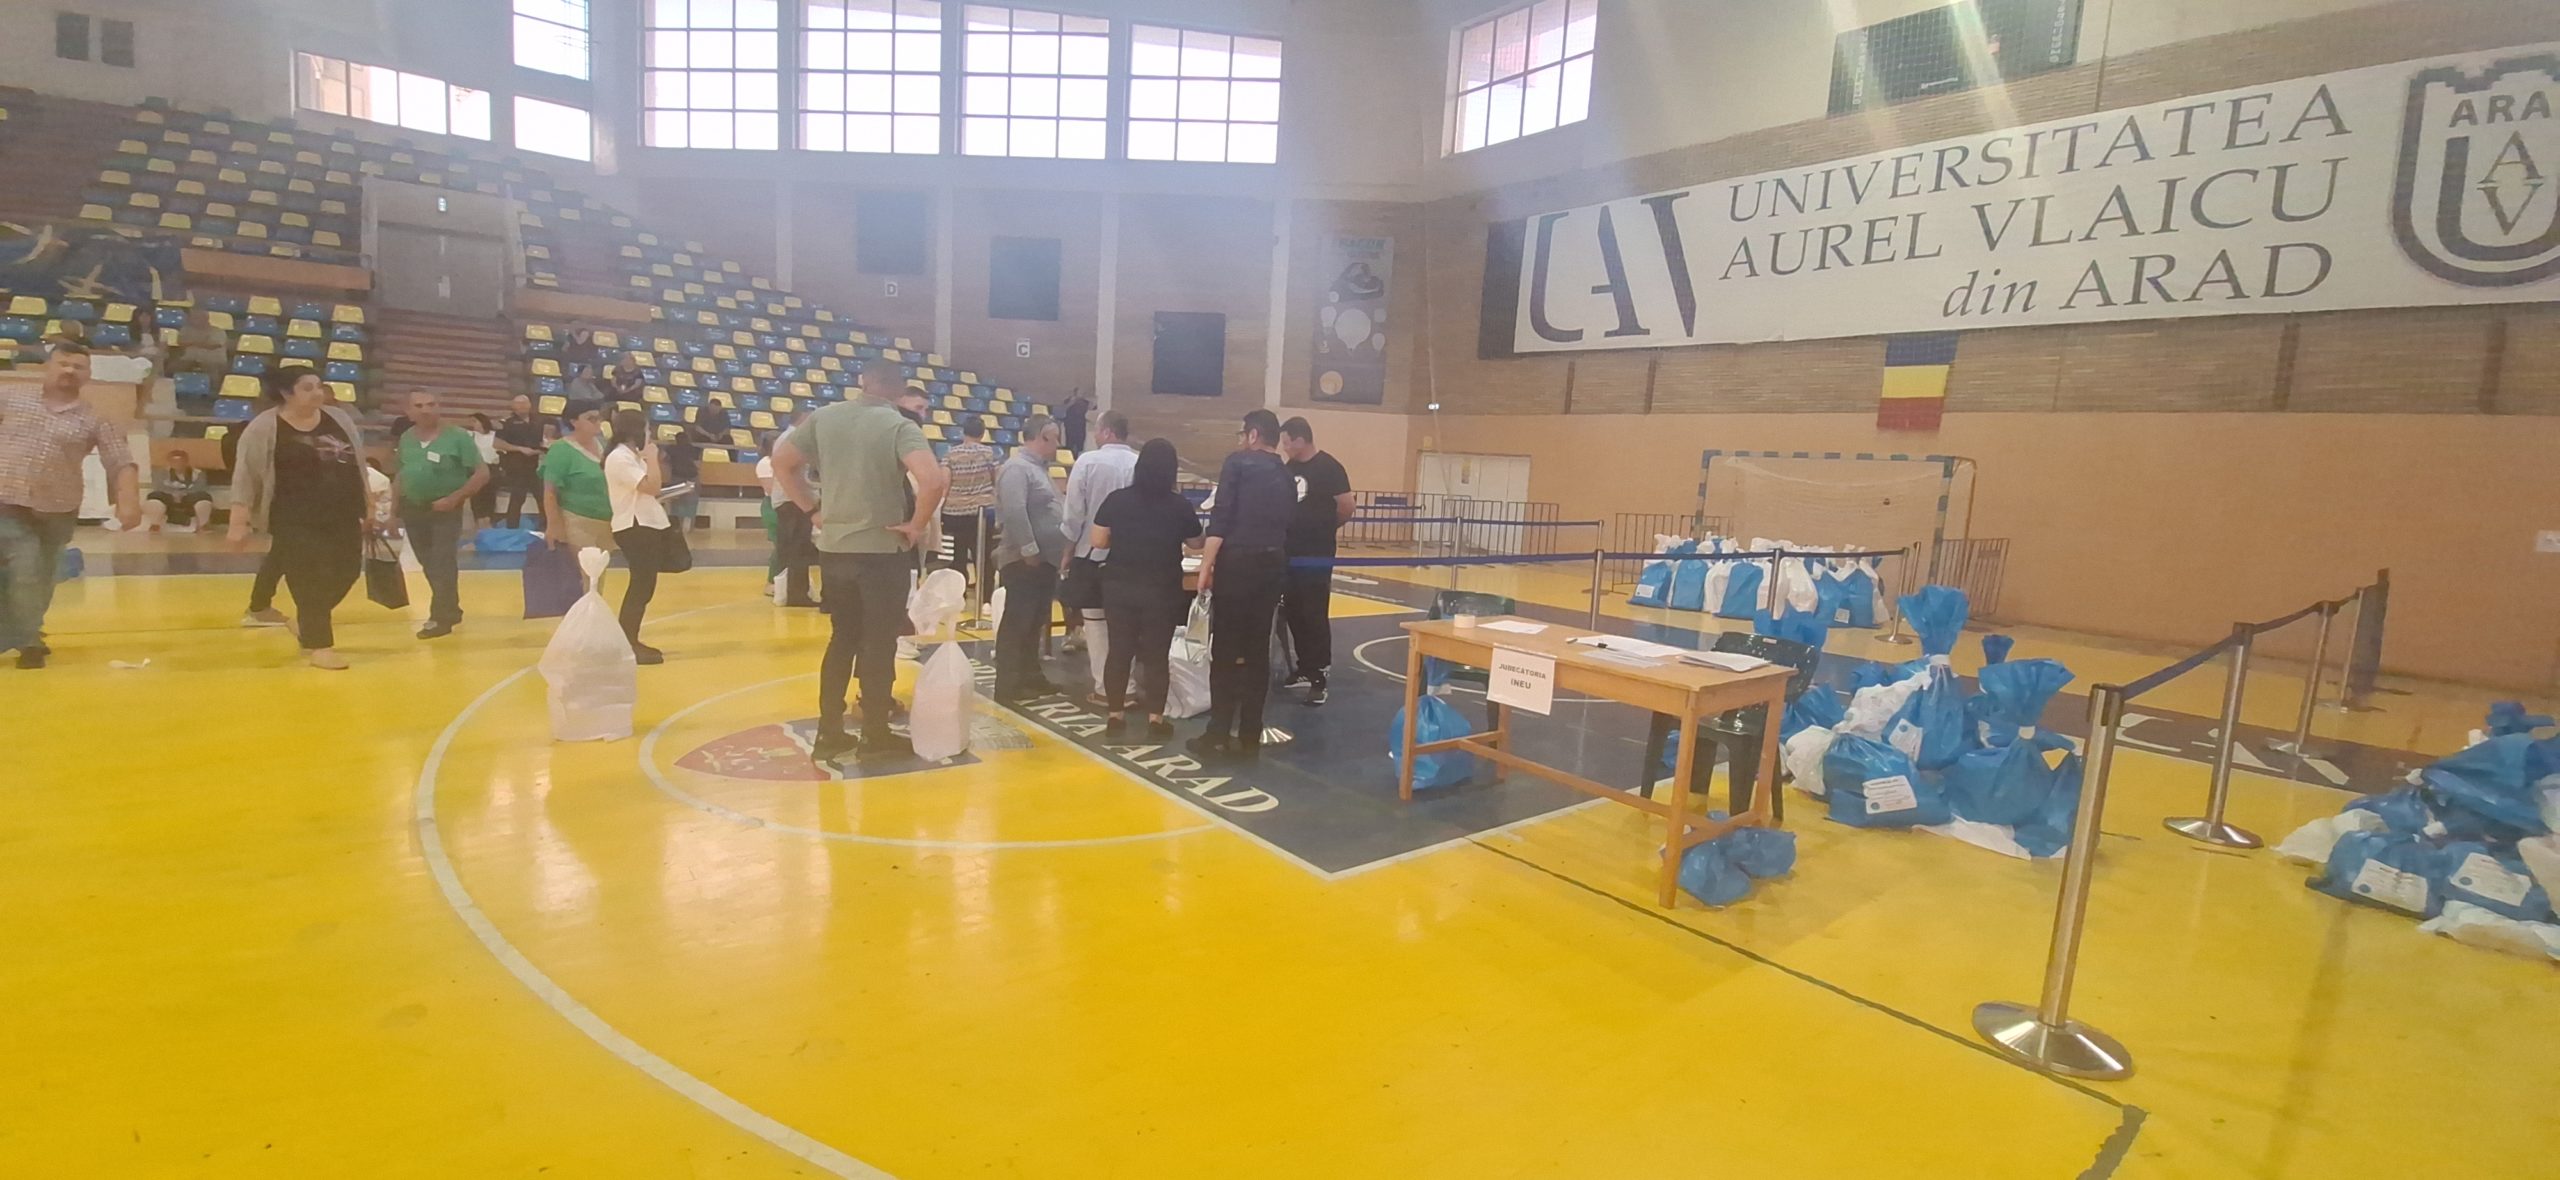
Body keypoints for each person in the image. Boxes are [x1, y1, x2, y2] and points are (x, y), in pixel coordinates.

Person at [771, 365, 946, 763]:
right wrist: (916, 525)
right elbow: (932, 480)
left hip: (835, 549)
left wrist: (812, 510)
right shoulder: (898, 425)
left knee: (842, 639)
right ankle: (875, 732)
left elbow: (782, 462)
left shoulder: (824, 417)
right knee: (879, 644)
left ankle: (829, 731)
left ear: (863, 383)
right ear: (899, 391)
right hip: (881, 550)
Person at [0, 342, 140, 669]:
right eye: (63, 364)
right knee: (25, 568)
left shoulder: (96, 418)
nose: (69, 371)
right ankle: (24, 641)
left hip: (58, 508)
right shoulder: (10, 397)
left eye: (78, 366)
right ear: (47, 368)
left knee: (45, 575)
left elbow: (120, 460)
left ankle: (30, 630)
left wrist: (129, 501)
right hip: (7, 501)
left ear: (87, 375)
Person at [224, 364, 369, 671]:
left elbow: (357, 462)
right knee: (309, 579)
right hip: (294, 517)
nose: (317, 393)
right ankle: (320, 645)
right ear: (286, 393)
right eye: (307, 388)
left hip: (343, 511)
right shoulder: (264, 427)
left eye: (318, 386)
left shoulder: (339, 418)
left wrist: (368, 503)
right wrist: (238, 521)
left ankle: (309, 621)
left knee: (348, 571)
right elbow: (246, 475)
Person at [1189, 409, 1296, 763]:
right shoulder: (1286, 473)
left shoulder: (1237, 463)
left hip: (1237, 564)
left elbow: (1221, 519)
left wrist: (1206, 566)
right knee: (1257, 650)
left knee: (1225, 650)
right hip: (1272, 564)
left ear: (1252, 435)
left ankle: (1218, 732)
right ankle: (1250, 731)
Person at [1089, 439, 1199, 739]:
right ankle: (1155, 719)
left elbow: (1098, 540)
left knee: (1119, 650)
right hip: (1162, 588)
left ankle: (1115, 716)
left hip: (1119, 585)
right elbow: (1196, 543)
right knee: (1156, 655)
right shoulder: (1179, 505)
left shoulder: (1117, 499)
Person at [392, 390, 489, 640]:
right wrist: (392, 513)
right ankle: (451, 608)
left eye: (431, 404)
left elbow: (482, 474)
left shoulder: (457, 437)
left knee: (442, 560)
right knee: (428, 562)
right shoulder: (406, 438)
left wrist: (454, 498)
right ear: (408, 411)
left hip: (446, 509)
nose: (426, 410)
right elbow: (401, 475)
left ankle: (440, 617)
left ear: (439, 407)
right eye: (419, 405)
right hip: (413, 508)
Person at [1278, 416, 1355, 706]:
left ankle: (1319, 673)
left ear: (1300, 440)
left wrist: (1325, 528)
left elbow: (1346, 506)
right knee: (1293, 610)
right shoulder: (1289, 468)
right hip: (1290, 553)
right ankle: (1304, 666)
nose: (1285, 447)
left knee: (1313, 612)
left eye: (1287, 442)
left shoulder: (1329, 467)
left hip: (1316, 554)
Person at [993, 414, 1068, 702]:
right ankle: (1008, 684)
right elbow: (1014, 511)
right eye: (1055, 438)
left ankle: (1030, 676)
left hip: (1043, 560)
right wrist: (1029, 549)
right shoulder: (1017, 469)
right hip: (1023, 560)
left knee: (1034, 621)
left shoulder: (1039, 469)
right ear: (1041, 437)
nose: (1058, 444)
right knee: (1018, 622)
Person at [1058, 410, 1137, 664]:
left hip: (1090, 552)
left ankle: (1103, 680)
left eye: (1097, 430)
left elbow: (1074, 513)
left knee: (1094, 620)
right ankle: (1126, 680)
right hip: (1129, 556)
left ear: (1107, 432)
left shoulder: (1087, 462)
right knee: (1125, 622)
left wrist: (1068, 550)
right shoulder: (1139, 463)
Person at [605, 407, 679, 665]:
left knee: (645, 585)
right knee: (640, 585)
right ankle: (627, 641)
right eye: (647, 429)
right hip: (634, 526)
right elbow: (652, 486)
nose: (649, 434)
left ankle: (630, 638)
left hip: (646, 523)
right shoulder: (619, 458)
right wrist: (652, 458)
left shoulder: (632, 457)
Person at [221, 382, 291, 628]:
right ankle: (260, 606)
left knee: (283, 554)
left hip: (289, 500)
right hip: (280, 501)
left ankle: (261, 605)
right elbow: (244, 474)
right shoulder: (258, 431)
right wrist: (240, 520)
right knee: (283, 554)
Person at [539, 400, 616, 553]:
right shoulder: (561, 449)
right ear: (574, 422)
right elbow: (550, 492)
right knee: (583, 567)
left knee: (602, 568)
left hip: (608, 522)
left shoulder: (606, 445)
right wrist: (553, 525)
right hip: (577, 521)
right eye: (591, 418)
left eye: (599, 418)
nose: (598, 422)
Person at [939, 419, 998, 581]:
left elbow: (945, 484)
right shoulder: (988, 453)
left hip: (954, 512)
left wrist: (940, 509)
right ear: (982, 433)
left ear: (963, 432)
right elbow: (996, 480)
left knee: (959, 553)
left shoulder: (951, 454)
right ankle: (984, 590)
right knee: (983, 555)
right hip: (982, 512)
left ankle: (960, 587)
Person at [492, 394, 546, 527]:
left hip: (535, 466)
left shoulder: (538, 422)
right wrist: (519, 449)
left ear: (530, 405)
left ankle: (545, 527)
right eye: (518, 403)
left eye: (524, 403)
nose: (522, 406)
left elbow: (541, 441)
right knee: (518, 497)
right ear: (513, 406)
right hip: (516, 466)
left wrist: (542, 448)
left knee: (542, 497)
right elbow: (497, 443)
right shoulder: (506, 423)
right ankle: (512, 527)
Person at [144, 449, 215, 532]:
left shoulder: (198, 473)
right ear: (169, 462)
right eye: (174, 461)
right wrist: (173, 494)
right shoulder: (162, 473)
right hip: (169, 496)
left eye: (181, 461)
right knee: (154, 496)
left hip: (189, 496)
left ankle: (203, 525)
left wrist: (183, 494)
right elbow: (159, 486)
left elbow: (200, 487)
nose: (178, 464)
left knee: (204, 496)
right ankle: (155, 525)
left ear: (186, 461)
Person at [170, 309, 228, 377]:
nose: (190, 320)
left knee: (211, 371)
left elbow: (212, 345)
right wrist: (201, 343)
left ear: (205, 319)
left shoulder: (218, 331)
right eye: (191, 318)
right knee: (173, 368)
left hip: (212, 360)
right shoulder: (185, 330)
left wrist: (192, 343)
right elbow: (181, 343)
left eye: (196, 318)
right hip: (189, 358)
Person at [466, 413, 502, 524]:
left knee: (489, 495)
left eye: (474, 421)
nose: (472, 424)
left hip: (492, 467)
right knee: (476, 495)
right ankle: (478, 518)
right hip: (477, 468)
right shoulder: (471, 435)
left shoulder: (494, 435)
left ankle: (489, 518)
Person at [1057, 389, 1092, 457]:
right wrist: (1072, 401)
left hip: (1080, 426)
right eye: (1078, 393)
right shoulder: (1069, 400)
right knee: (1069, 443)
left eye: (1081, 393)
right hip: (1070, 425)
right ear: (1075, 393)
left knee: (1080, 444)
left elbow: (1092, 407)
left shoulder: (1085, 402)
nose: (1080, 395)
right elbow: (1063, 408)